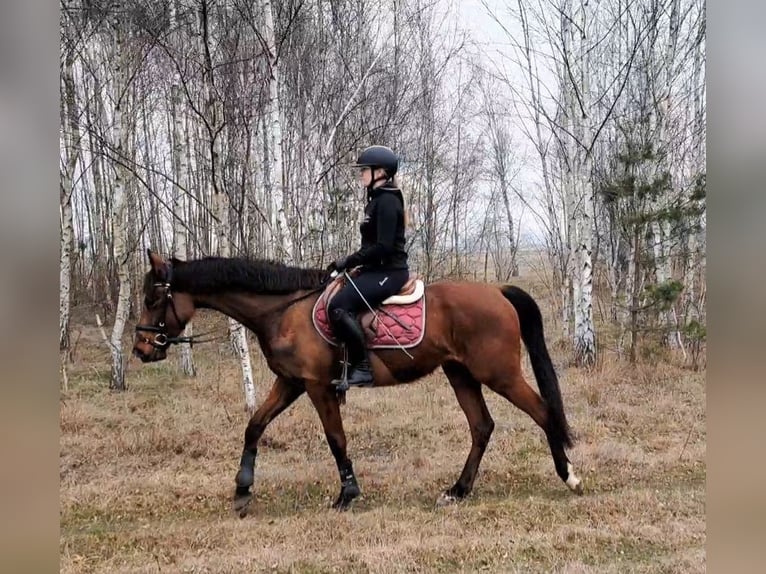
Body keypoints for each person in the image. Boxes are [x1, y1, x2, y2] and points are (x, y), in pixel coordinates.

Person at [326, 145, 410, 387]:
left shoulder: (386, 202)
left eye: (365, 170)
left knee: (339, 306)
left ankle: (363, 367)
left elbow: (383, 247)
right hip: (376, 269)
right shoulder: (376, 200)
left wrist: (349, 260)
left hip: (390, 272)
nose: (361, 174)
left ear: (381, 172)